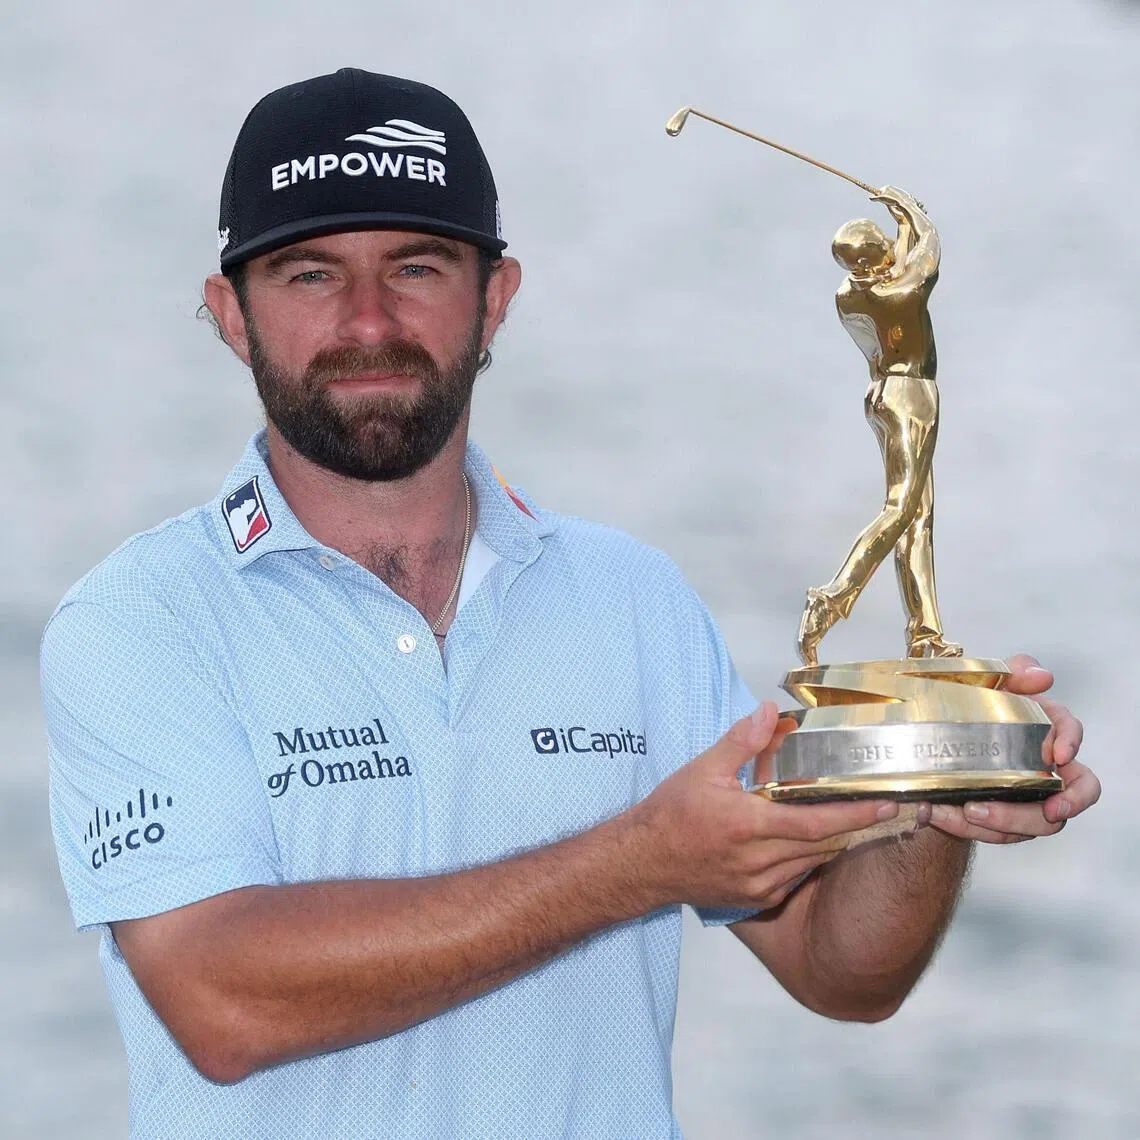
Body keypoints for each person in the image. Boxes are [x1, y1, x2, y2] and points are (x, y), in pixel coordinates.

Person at [41, 70, 1099, 1139]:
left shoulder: (631, 599)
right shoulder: (138, 621)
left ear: (495, 298)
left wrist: (928, 793)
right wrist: (639, 861)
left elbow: (839, 968)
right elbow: (221, 998)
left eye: (417, 266)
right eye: (311, 273)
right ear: (231, 313)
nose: (368, 319)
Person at [798, 186, 959, 665]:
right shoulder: (898, 292)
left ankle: (925, 633)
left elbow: (905, 257)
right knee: (900, 509)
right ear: (872, 260)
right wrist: (909, 210)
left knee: (916, 519)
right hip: (912, 396)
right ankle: (832, 598)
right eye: (881, 243)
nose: (890, 247)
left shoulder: (850, 295)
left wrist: (901, 223)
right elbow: (928, 254)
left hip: (881, 396)